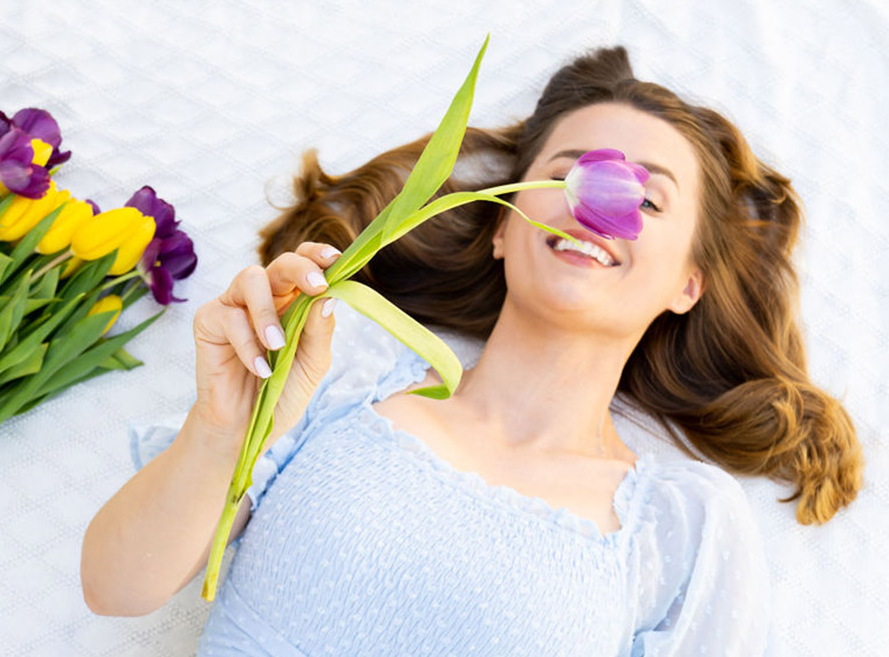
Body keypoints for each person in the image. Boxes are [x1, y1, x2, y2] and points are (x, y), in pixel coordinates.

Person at [80, 46, 865, 654]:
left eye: (648, 199)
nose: (595, 207)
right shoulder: (338, 371)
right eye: (568, 174)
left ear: (688, 284)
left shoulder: (681, 527)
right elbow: (115, 587)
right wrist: (221, 429)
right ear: (500, 226)